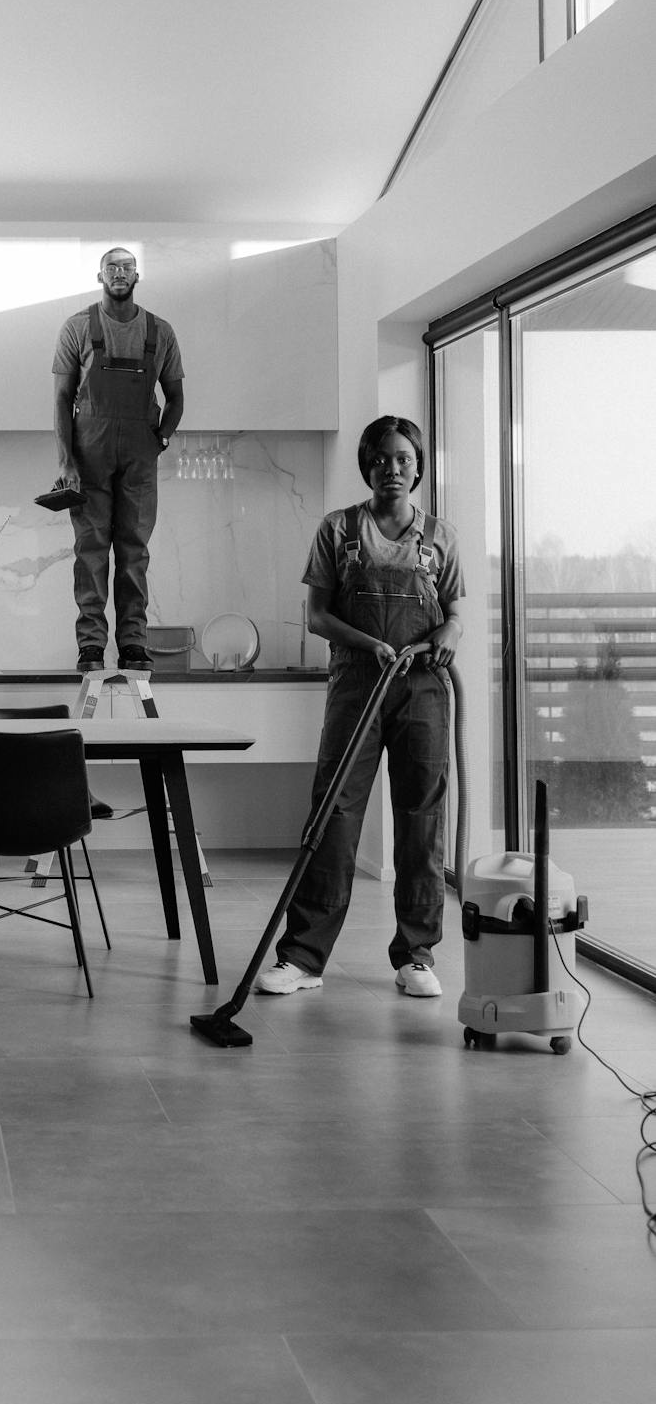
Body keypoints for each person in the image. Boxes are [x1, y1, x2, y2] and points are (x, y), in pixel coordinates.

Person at [256, 416, 464, 999]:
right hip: (357, 683)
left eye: (402, 458)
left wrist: (449, 631)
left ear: (418, 465)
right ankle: (302, 957)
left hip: (422, 687)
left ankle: (417, 955)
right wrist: (363, 641)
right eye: (380, 458)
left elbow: (455, 613)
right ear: (366, 465)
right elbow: (317, 616)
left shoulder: (441, 537)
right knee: (335, 813)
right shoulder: (338, 529)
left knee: (421, 815)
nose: (391, 469)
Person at [51, 247, 184, 671]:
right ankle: (91, 644)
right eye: (113, 268)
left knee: (134, 552)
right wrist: (66, 461)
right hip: (88, 452)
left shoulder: (160, 332)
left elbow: (177, 397)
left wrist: (160, 438)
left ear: (137, 275)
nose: (120, 273)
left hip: (140, 455)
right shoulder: (77, 327)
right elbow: (60, 398)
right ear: (100, 275)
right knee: (90, 550)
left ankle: (132, 643)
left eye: (127, 267)